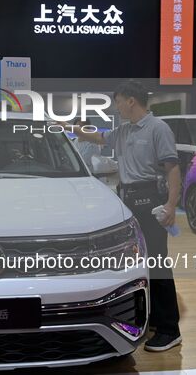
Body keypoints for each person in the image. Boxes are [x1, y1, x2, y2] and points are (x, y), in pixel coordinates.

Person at [74, 80, 182, 352]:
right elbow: (99, 137)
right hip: (128, 200)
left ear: (130, 100)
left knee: (157, 263)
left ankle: (170, 329)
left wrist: (170, 205)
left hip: (150, 201)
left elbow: (172, 169)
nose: (117, 106)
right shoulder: (124, 131)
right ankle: (156, 319)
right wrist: (68, 128)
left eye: (118, 101)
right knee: (140, 263)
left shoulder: (158, 129)